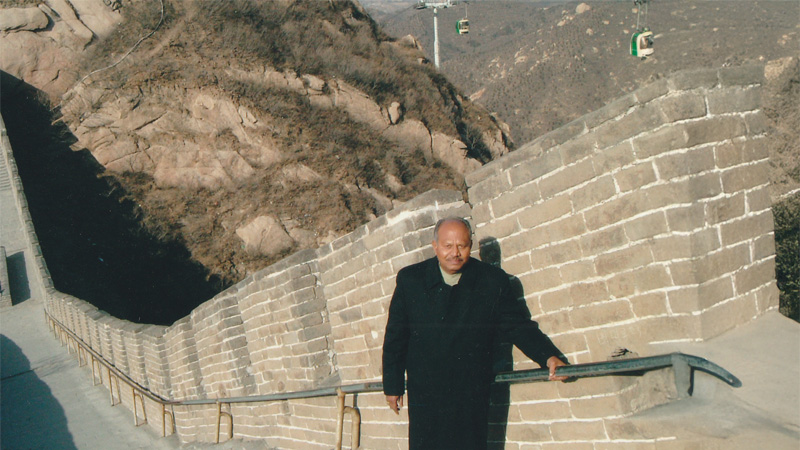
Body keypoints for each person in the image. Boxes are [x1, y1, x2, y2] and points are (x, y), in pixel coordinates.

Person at [382, 217, 568, 450]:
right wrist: (393, 385)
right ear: (435, 246)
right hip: (427, 390)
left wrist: (548, 356)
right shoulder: (411, 279)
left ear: (471, 246)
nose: (455, 253)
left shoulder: (491, 280)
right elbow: (396, 336)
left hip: (470, 389)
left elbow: (517, 326)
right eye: (448, 246)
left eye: (462, 245)